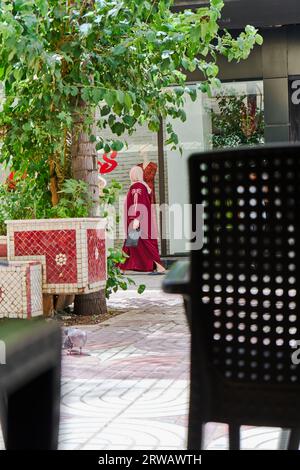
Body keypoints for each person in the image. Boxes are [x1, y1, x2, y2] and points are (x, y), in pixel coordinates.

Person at [119, 166, 165, 273]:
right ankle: (122, 268)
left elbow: (137, 203)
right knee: (136, 243)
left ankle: (121, 267)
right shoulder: (143, 186)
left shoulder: (137, 187)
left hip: (137, 221)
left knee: (137, 243)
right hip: (144, 220)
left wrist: (136, 219)